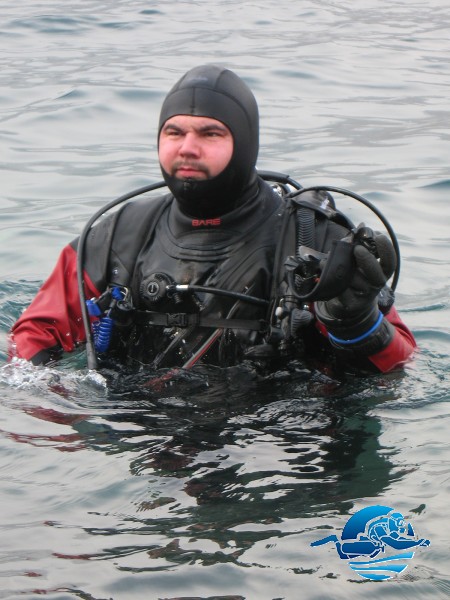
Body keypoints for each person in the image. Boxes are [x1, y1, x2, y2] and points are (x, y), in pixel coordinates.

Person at [9, 65, 416, 374]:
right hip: (143, 438)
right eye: (174, 132)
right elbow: (32, 338)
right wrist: (62, 413)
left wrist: (356, 321)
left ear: (244, 143)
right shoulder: (118, 234)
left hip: (276, 445)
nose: (188, 148)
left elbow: (402, 367)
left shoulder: (315, 239)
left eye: (210, 134)